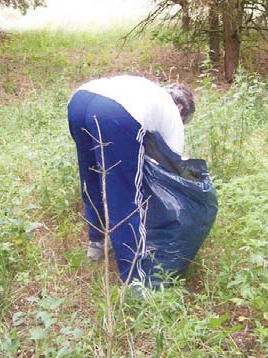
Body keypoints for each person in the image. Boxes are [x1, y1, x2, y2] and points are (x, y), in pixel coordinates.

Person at [67, 74, 195, 285]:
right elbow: (174, 165)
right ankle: (135, 278)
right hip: (115, 113)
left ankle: (96, 244)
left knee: (92, 177)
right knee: (125, 194)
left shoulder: (148, 91)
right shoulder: (171, 113)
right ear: (181, 108)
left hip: (80, 101)